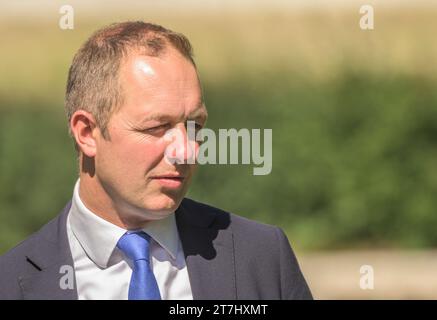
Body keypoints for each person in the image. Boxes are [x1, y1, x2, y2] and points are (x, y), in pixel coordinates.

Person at [0, 21, 312, 300]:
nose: (186, 150)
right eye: (156, 127)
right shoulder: (11, 284)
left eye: (194, 126)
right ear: (87, 133)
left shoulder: (261, 257)